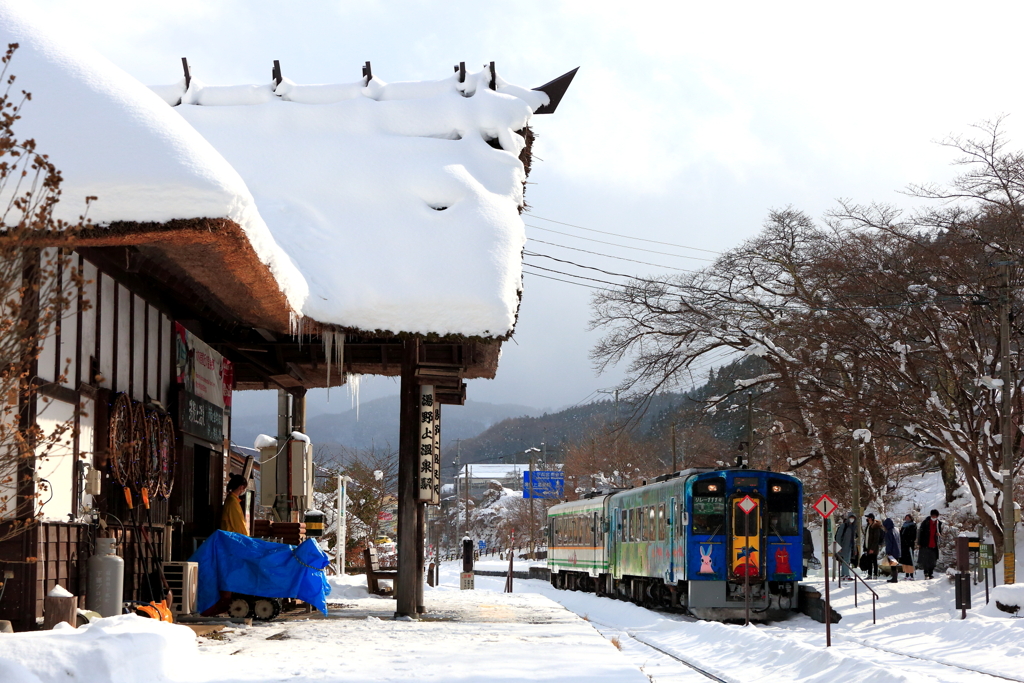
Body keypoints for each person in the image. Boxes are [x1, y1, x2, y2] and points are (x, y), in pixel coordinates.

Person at [917, 509, 943, 579]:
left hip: (934, 544)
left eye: (935, 516)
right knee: (925, 559)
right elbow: (920, 533)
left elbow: (940, 533)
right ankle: (926, 573)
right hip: (925, 543)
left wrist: (939, 534)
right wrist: (919, 543)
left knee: (933, 560)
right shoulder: (925, 522)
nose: (934, 517)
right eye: (933, 516)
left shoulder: (938, 524)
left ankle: (931, 573)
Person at [834, 513, 857, 579]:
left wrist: (854, 549)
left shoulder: (853, 528)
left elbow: (853, 539)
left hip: (849, 546)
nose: (852, 519)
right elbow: (838, 536)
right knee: (846, 560)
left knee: (846, 560)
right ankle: (846, 574)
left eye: (853, 518)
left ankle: (844, 574)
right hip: (844, 546)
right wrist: (839, 546)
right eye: (851, 517)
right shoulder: (844, 526)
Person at [882, 518, 901, 584]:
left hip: (892, 551)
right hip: (897, 550)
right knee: (895, 564)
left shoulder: (889, 532)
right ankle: (895, 577)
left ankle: (894, 578)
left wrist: (888, 552)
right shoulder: (896, 530)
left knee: (893, 565)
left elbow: (889, 543)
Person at [864, 513, 883, 579]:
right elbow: (866, 537)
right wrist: (865, 547)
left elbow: (876, 539)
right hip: (868, 546)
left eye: (868, 518)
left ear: (871, 518)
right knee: (869, 561)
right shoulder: (868, 526)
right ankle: (869, 574)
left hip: (873, 548)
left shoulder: (875, 527)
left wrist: (872, 548)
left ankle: (875, 574)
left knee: (874, 561)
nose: (867, 519)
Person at [899, 514, 917, 580]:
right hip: (903, 545)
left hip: (909, 545)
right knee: (905, 560)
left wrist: (909, 542)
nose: (907, 519)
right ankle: (906, 574)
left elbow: (913, 536)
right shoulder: (904, 525)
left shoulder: (913, 525)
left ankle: (911, 574)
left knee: (910, 560)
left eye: (908, 518)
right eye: (906, 518)